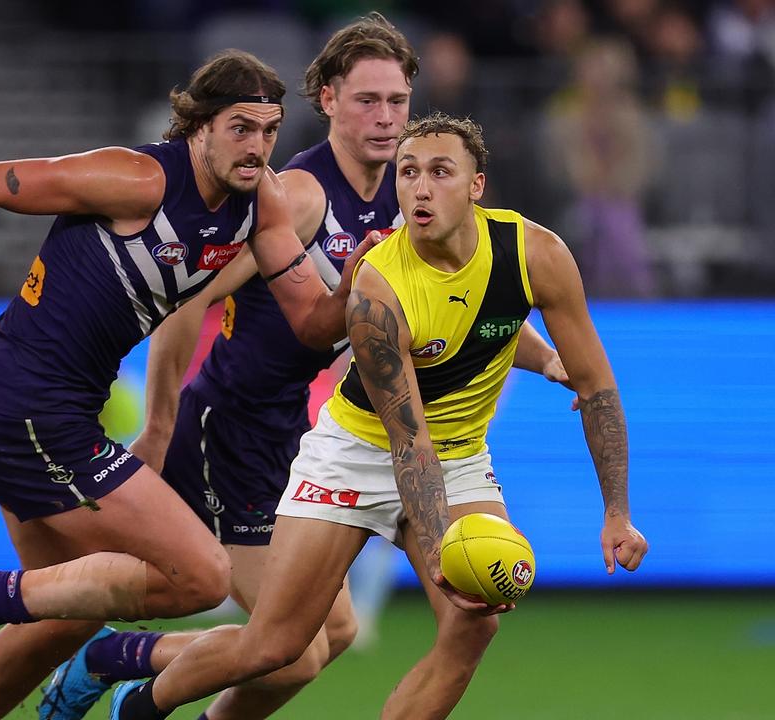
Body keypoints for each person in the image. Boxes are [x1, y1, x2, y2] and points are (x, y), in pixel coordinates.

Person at [0, 50, 374, 720]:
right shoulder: (139, 179)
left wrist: (358, 283)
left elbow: (314, 323)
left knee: (68, 614)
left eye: (269, 130)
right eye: (240, 128)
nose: (257, 147)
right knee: (199, 576)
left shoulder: (262, 207)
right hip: (25, 403)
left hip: (47, 409)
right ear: (198, 126)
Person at [38, 15, 569, 720]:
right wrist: (161, 425)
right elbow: (183, 302)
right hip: (233, 428)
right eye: (365, 101)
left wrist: (546, 358)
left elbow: (459, 308)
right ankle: (112, 662)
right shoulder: (301, 198)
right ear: (326, 101)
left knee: (340, 634)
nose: (384, 119)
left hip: (305, 432)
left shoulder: (409, 197)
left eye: (397, 102)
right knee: (295, 646)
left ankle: (120, 665)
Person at [104, 112, 650, 720]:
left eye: (440, 172)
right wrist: (445, 548)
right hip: (354, 455)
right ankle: (143, 707)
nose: (420, 187)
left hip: (459, 456)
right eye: (409, 171)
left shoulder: (536, 254)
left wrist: (618, 512)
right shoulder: (377, 284)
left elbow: (598, 387)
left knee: (473, 629)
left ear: (477, 186)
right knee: (279, 646)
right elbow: (407, 436)